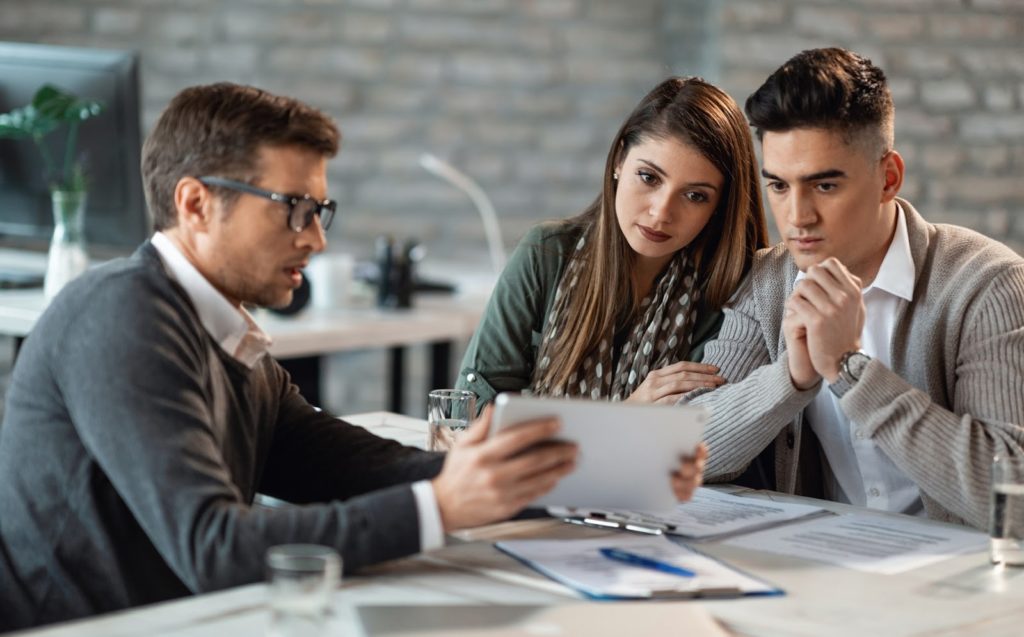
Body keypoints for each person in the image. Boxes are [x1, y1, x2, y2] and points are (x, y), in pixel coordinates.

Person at [0, 83, 709, 630]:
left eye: (320, 212)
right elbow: (214, 546)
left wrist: (559, 471)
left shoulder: (224, 334)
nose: (317, 240)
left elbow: (339, 462)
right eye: (293, 208)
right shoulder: (122, 316)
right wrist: (441, 504)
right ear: (195, 204)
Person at [684, 47, 1024, 529]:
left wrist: (850, 370)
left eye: (824, 186)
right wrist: (792, 377)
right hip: (820, 572)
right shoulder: (765, 282)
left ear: (888, 178)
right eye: (778, 186)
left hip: (956, 585)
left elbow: (1014, 500)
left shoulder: (987, 285)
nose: (797, 217)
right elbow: (682, 452)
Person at [457, 77, 769, 411]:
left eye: (695, 196)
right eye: (649, 177)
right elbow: (470, 411)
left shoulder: (732, 293)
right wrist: (627, 413)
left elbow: (704, 439)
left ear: (721, 205)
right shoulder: (546, 254)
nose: (661, 212)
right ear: (620, 160)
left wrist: (538, 412)